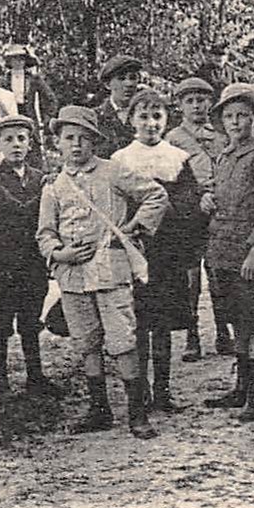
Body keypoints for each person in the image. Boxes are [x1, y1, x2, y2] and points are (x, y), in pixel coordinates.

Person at [37, 105, 169, 439]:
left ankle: (137, 416)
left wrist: (135, 227)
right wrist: (60, 253)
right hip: (73, 277)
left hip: (111, 271)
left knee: (123, 341)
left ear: (95, 142)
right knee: (86, 343)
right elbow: (44, 233)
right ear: (58, 143)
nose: (77, 145)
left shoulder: (113, 172)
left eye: (84, 138)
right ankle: (99, 410)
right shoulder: (54, 184)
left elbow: (156, 194)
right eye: (69, 138)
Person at [111, 89, 205, 415]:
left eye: (157, 117)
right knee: (136, 322)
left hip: (167, 250)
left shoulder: (177, 158)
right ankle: (141, 391)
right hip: (133, 250)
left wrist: (174, 224)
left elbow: (189, 203)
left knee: (162, 324)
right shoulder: (121, 159)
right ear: (131, 121)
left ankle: (163, 390)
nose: (151, 124)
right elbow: (115, 204)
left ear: (166, 120)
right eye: (143, 117)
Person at [201, 83, 254, 421]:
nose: (236, 122)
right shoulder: (224, 155)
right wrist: (205, 198)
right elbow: (217, 192)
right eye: (229, 116)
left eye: (243, 116)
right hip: (221, 251)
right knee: (236, 322)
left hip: (249, 255)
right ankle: (240, 388)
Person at [0, 115, 56, 402]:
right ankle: (0, 380)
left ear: (30, 143)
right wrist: (45, 192)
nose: (16, 145)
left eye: (22, 139)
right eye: (9, 139)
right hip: (6, 264)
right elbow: (19, 211)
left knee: (30, 318)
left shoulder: (39, 177)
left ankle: (35, 376)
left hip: (34, 261)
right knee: (2, 319)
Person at [165, 76, 224, 361]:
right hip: (188, 215)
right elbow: (171, 183)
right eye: (190, 101)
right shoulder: (172, 140)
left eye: (202, 100)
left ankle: (224, 330)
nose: (197, 106)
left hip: (220, 212)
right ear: (179, 106)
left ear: (210, 103)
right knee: (190, 278)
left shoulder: (222, 137)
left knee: (219, 274)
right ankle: (193, 334)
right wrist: (196, 199)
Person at [93, 54, 143, 157]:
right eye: (121, 79)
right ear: (108, 85)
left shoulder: (147, 115)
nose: (129, 84)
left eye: (133, 78)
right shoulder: (95, 117)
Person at [1, 42, 58, 129]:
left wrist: (46, 118)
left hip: (28, 114)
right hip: (10, 115)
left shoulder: (33, 79)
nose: (18, 62)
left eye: (21, 59)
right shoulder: (4, 80)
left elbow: (50, 98)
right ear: (10, 61)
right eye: (15, 59)